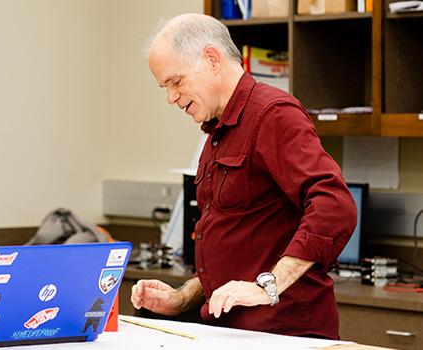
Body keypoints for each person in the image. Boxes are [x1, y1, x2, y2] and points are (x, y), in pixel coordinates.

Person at [131, 14, 357, 339]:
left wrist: (270, 285)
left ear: (212, 59)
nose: (171, 98)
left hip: (284, 333)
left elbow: (334, 207)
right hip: (230, 332)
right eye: (165, 87)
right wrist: (183, 298)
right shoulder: (217, 132)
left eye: (176, 82)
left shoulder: (273, 115)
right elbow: (241, 252)